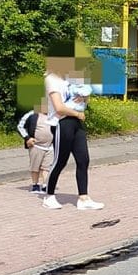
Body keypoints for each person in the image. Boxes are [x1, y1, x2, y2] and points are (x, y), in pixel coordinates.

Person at [41, 40, 104, 210]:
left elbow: (85, 94)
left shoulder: (70, 77)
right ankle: (49, 195)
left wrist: (84, 98)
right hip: (62, 123)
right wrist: (77, 113)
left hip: (76, 122)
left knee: (83, 159)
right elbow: (59, 108)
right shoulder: (51, 79)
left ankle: (83, 198)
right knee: (60, 161)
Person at [16, 105, 53, 194]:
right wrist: (27, 138)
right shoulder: (32, 114)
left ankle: (45, 185)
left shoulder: (53, 115)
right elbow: (20, 126)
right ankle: (35, 185)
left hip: (50, 146)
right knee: (35, 166)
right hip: (36, 146)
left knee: (47, 167)